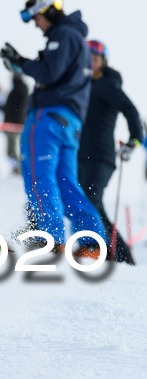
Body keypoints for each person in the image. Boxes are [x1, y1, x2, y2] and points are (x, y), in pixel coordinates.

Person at [0, 0, 106, 256]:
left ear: (45, 10)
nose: (36, 25)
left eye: (35, 18)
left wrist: (21, 63)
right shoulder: (76, 38)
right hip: (69, 123)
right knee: (65, 182)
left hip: (48, 118)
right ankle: (91, 243)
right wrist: (23, 63)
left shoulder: (63, 34)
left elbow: (49, 72)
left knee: (39, 176)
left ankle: (51, 239)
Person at [77, 40, 144, 265]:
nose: (91, 63)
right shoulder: (84, 85)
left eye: (95, 60)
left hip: (101, 156)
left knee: (91, 198)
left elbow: (130, 110)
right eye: (88, 59)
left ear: (103, 62)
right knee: (83, 200)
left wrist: (135, 139)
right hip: (82, 154)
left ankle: (105, 250)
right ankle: (112, 252)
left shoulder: (107, 85)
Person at [0, 73, 29, 175]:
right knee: (11, 150)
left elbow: (13, 108)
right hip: (14, 123)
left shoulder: (20, 89)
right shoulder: (19, 88)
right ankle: (17, 169)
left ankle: (19, 170)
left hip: (15, 124)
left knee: (11, 151)